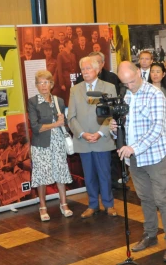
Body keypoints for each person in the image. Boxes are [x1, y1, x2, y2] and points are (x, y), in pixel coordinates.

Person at [112, 61, 166, 262]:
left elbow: (157, 128)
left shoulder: (154, 95)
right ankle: (150, 234)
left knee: (162, 200)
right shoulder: (126, 95)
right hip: (135, 159)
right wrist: (115, 127)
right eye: (125, 83)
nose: (129, 85)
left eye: (132, 81)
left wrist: (134, 147)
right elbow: (127, 124)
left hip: (155, 157)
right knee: (145, 199)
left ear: (139, 74)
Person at [67, 56, 118, 219]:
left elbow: (111, 114)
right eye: (82, 69)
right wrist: (82, 133)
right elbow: (71, 117)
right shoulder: (75, 90)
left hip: (102, 139)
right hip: (83, 140)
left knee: (105, 175)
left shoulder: (109, 87)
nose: (85, 71)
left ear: (97, 70)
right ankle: (92, 205)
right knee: (88, 176)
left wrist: (99, 133)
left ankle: (109, 205)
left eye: (88, 68)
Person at [28, 70, 73, 222]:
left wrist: (62, 121)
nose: (43, 85)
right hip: (41, 144)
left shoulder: (59, 101)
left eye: (46, 82)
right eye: (40, 82)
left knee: (60, 172)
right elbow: (35, 127)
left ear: (52, 84)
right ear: (36, 85)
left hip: (58, 141)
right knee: (41, 175)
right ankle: (42, 207)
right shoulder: (33, 102)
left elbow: (64, 123)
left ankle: (64, 204)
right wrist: (56, 123)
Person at [149, 62, 166, 188]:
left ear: (164, 74)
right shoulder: (145, 90)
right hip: (149, 130)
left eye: (158, 71)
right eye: (152, 71)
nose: (155, 74)